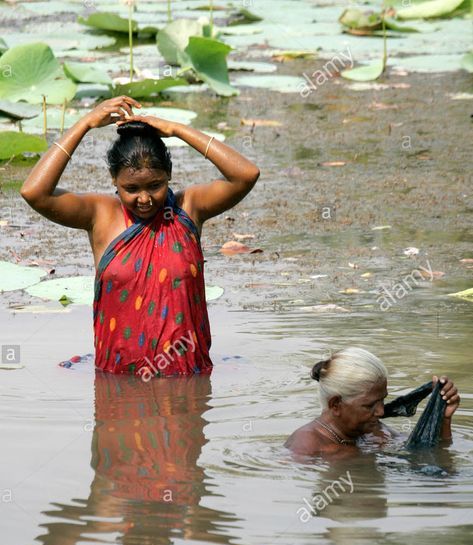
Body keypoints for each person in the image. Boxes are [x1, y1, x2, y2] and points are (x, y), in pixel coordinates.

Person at [20, 96, 260, 378]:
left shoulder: (188, 208)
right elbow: (34, 192)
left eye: (155, 185)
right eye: (131, 188)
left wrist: (176, 130)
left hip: (186, 382)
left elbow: (246, 174)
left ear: (169, 175)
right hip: (118, 382)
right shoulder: (101, 215)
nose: (144, 199)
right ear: (114, 180)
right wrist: (84, 124)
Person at [285, 347, 460, 456]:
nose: (381, 412)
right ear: (336, 405)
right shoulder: (307, 447)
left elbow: (431, 453)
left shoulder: (372, 430)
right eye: (369, 405)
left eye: (382, 400)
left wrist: (443, 419)